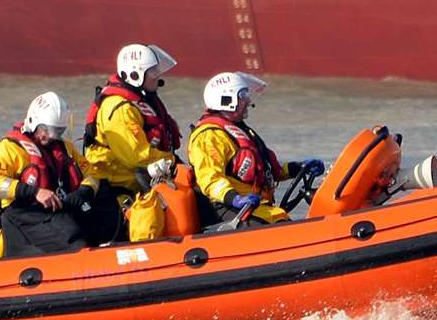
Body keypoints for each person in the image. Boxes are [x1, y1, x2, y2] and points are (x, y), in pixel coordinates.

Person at [188, 71, 323, 226]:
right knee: (277, 224)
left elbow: (271, 171)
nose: (248, 100)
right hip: (228, 207)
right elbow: (210, 179)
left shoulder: (241, 131)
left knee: (280, 219)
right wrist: (235, 199)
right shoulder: (209, 136)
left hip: (254, 205)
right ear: (226, 99)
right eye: (243, 95)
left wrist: (298, 168)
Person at [0, 91, 110, 256]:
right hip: (25, 215)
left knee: (105, 218)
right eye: (48, 130)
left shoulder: (64, 147)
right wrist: (35, 192)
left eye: (58, 131)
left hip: (59, 209)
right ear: (34, 123)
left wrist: (84, 191)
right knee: (73, 239)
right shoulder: (7, 148)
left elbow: (92, 173)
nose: (51, 136)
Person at [81, 43, 183, 239]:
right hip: (118, 187)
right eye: (153, 71)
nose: (157, 75)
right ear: (136, 75)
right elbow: (137, 155)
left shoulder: (142, 101)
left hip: (143, 178)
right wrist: (172, 162)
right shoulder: (120, 108)